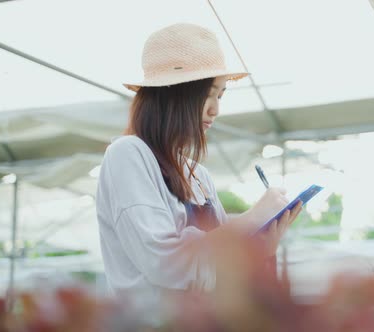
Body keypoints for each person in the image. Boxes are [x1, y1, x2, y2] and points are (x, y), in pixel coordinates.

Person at [95, 23, 303, 311]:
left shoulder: (198, 175)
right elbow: (166, 263)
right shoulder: (128, 154)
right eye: (208, 93)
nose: (215, 109)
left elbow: (215, 272)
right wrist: (253, 218)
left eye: (220, 95)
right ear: (173, 93)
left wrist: (261, 248)